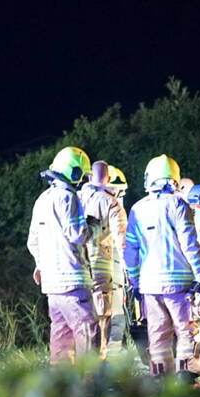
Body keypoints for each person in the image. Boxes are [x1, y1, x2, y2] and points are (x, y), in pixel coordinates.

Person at [125, 154, 200, 389]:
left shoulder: (137, 209)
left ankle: (161, 383)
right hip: (180, 285)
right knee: (187, 332)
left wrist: (135, 281)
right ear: (174, 178)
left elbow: (130, 251)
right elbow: (190, 245)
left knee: (158, 335)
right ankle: (187, 382)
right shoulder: (178, 204)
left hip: (149, 286)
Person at [27, 146, 96, 364]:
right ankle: (91, 385)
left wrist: (41, 265)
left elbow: (33, 241)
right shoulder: (69, 197)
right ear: (74, 173)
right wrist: (93, 227)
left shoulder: (42, 199)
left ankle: (61, 385)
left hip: (52, 284)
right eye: (82, 175)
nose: (83, 180)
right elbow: (77, 234)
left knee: (61, 336)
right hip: (73, 279)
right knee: (87, 332)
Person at [79, 160, 128, 357]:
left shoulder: (76, 197)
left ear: (90, 177)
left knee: (81, 311)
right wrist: (130, 268)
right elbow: (121, 240)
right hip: (101, 261)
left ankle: (80, 358)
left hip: (77, 264)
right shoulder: (111, 202)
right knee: (102, 311)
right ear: (108, 179)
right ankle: (99, 356)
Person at [105, 165, 130, 353]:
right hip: (110, 267)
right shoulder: (112, 206)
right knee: (115, 315)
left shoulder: (83, 200)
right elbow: (122, 241)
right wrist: (130, 267)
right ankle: (113, 355)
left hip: (91, 270)